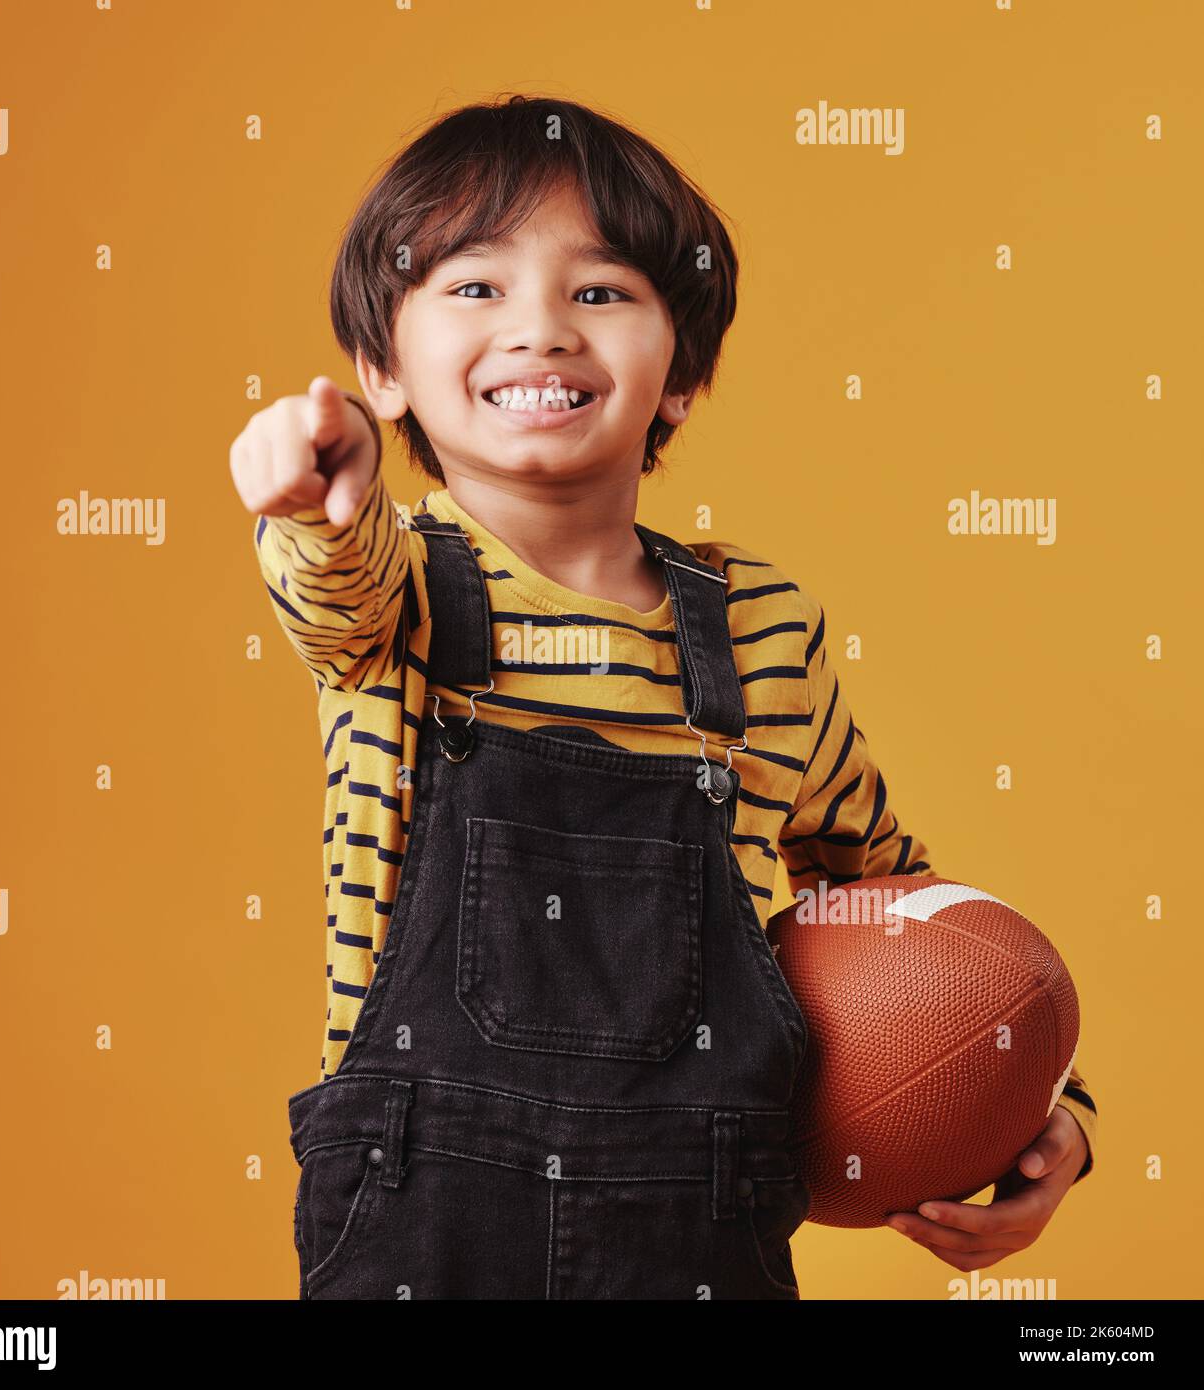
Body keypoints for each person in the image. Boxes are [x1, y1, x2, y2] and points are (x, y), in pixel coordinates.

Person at [229, 94, 1097, 1300]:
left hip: (699, 1237)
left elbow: (905, 908)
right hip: (423, 1229)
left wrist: (1041, 1111)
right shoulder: (394, 599)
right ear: (382, 367)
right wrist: (311, 495)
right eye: (475, 287)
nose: (540, 329)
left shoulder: (761, 629)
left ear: (681, 372)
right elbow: (330, 589)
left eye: (602, 291)